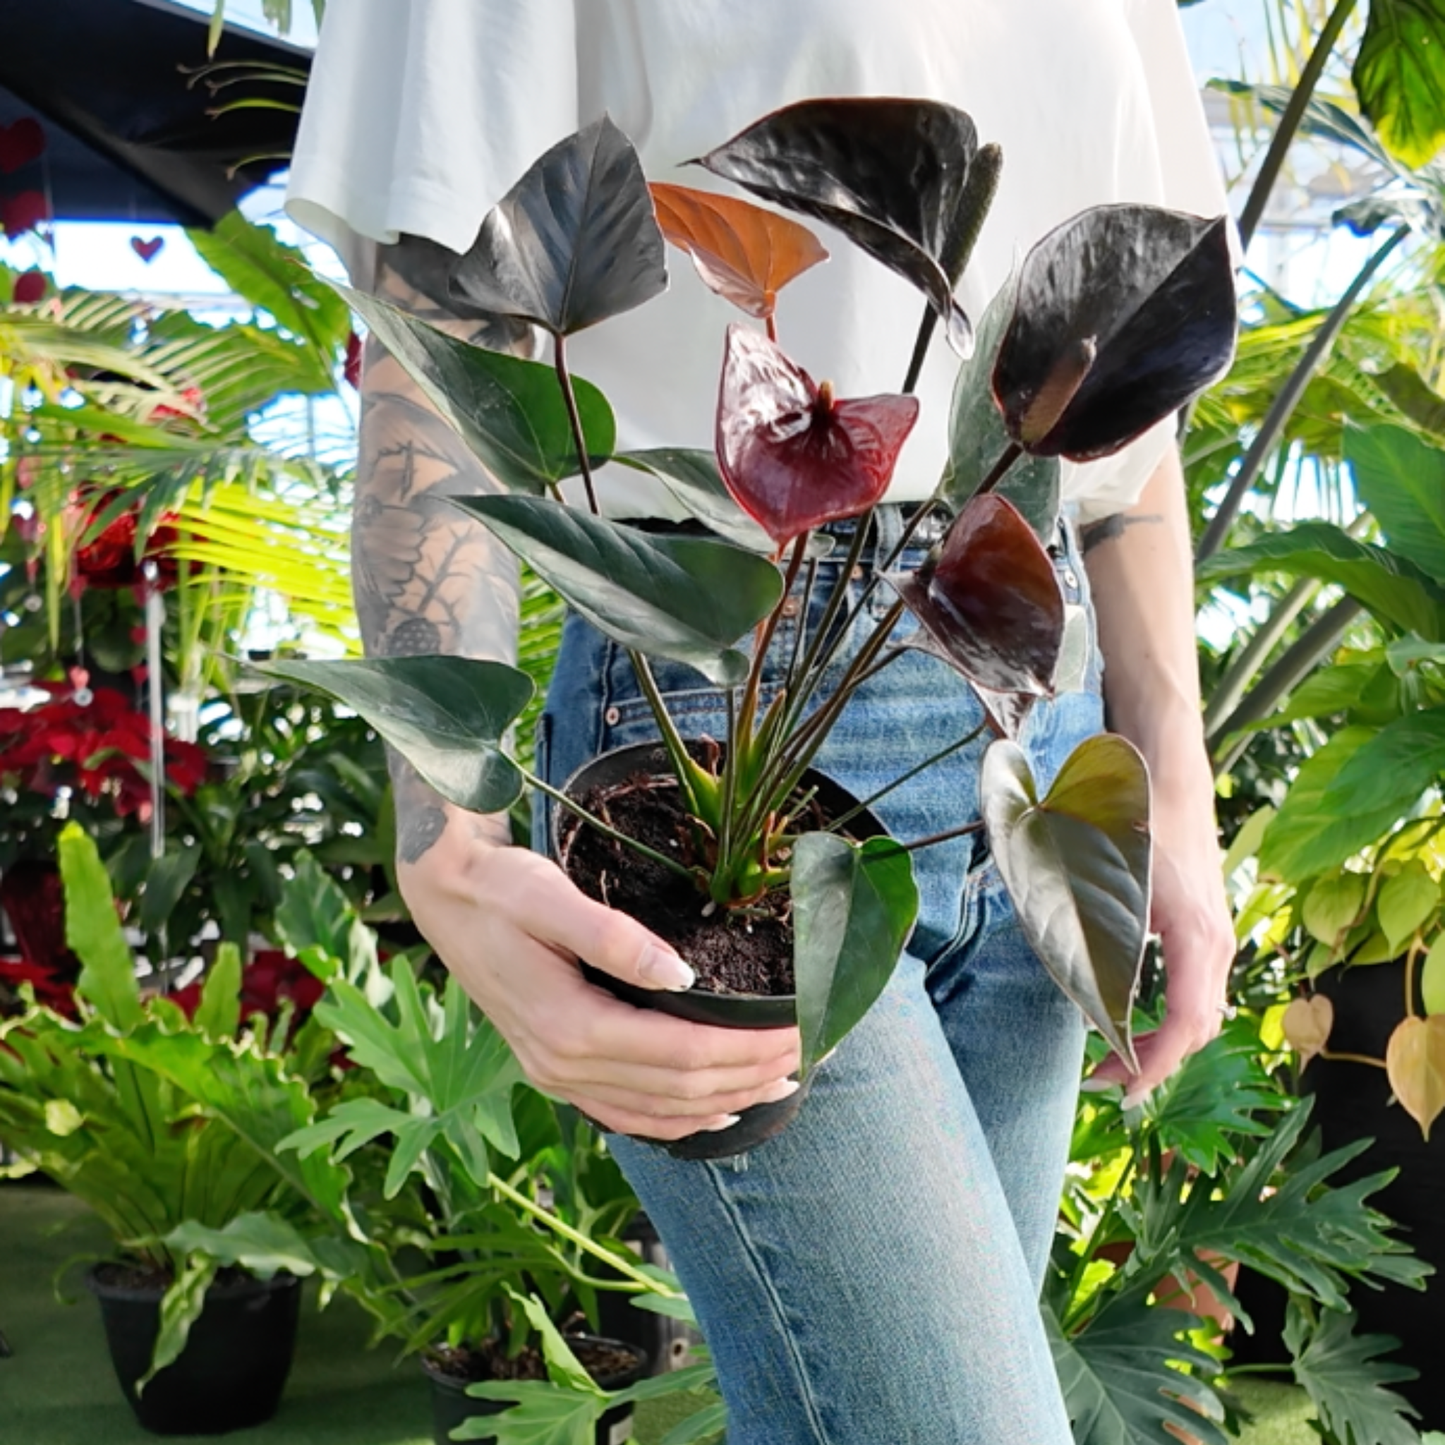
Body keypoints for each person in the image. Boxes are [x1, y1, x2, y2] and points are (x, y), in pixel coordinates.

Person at [287, 3, 1237, 1440]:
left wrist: (1175, 781)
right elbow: (445, 317)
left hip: (1035, 714)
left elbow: (1121, 365)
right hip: (723, 716)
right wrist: (449, 838)